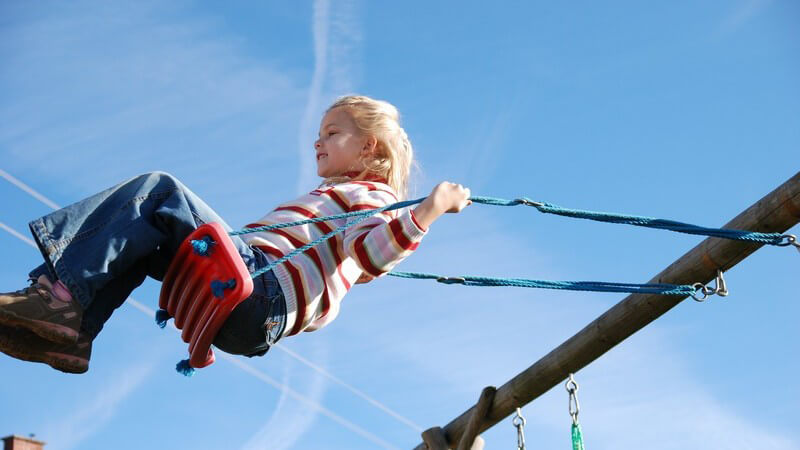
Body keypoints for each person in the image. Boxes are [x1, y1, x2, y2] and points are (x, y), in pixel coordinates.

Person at [0, 95, 471, 374]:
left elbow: (371, 254)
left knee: (158, 192)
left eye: (332, 133)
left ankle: (57, 299)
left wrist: (431, 209)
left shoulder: (367, 195)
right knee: (144, 239)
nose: (318, 142)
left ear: (368, 145)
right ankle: (72, 329)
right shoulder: (340, 198)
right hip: (248, 317)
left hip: (259, 294)